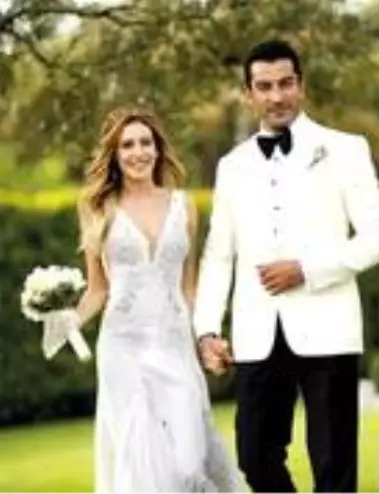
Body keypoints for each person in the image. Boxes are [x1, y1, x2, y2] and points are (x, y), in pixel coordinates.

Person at [193, 40, 379, 494]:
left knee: (334, 468)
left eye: (285, 84)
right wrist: (206, 329)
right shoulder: (232, 167)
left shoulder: (345, 150)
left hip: (329, 328)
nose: (277, 96)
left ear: (301, 86)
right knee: (254, 456)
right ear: (248, 94)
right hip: (257, 334)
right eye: (264, 87)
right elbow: (218, 255)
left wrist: (307, 269)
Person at [70, 106, 243, 494]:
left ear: (158, 148)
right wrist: (67, 321)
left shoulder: (184, 205)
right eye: (127, 145)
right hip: (122, 349)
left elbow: (189, 288)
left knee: (188, 463)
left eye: (145, 142)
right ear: (115, 154)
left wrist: (208, 338)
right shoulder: (97, 208)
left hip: (175, 344)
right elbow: (98, 290)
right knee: (140, 463)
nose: (138, 152)